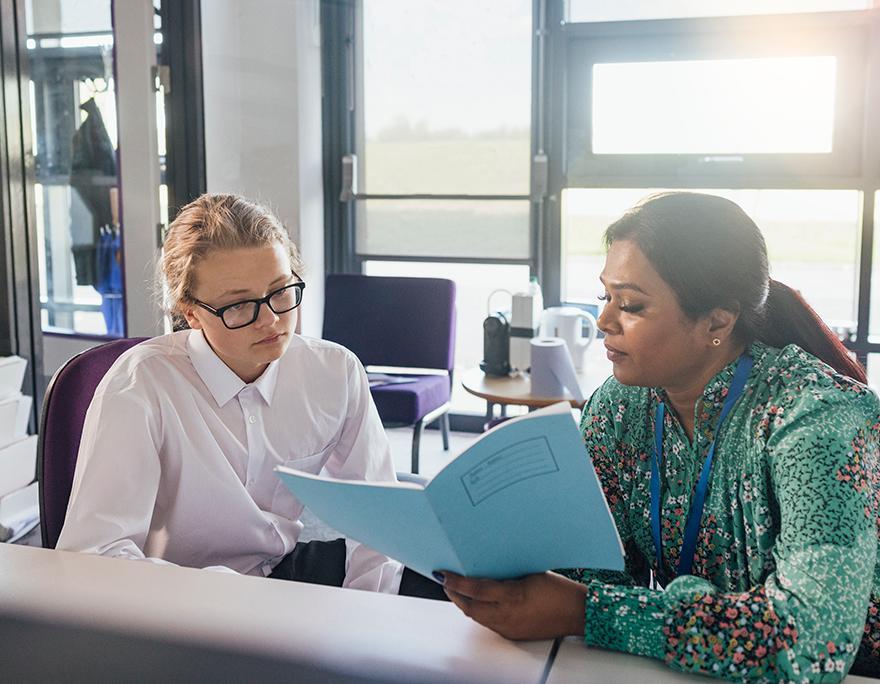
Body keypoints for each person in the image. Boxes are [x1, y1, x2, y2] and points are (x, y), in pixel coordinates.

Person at [441, 192, 880, 681]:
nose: (604, 320)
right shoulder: (618, 407)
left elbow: (811, 644)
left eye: (630, 304)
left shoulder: (816, 418)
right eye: (605, 296)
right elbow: (591, 570)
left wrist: (588, 612)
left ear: (717, 320)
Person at [58, 193, 412, 593]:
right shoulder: (142, 385)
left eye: (280, 291)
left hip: (278, 570)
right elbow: (94, 554)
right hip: (172, 597)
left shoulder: (334, 371)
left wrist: (368, 618)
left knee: (452, 583)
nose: (272, 320)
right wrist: (235, 598)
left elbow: (378, 515)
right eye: (240, 306)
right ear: (191, 313)